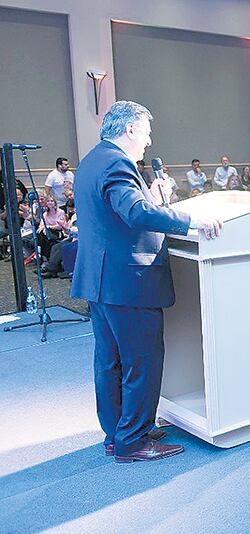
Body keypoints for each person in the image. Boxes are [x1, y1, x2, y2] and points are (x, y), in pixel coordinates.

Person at [71, 101, 221, 463]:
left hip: (102, 281)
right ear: (130, 130)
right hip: (128, 281)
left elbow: (117, 213)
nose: (149, 141)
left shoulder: (93, 159)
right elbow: (135, 213)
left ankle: (118, 433)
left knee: (110, 362)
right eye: (147, 132)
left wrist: (151, 197)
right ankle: (134, 441)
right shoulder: (118, 162)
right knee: (142, 361)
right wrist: (190, 222)